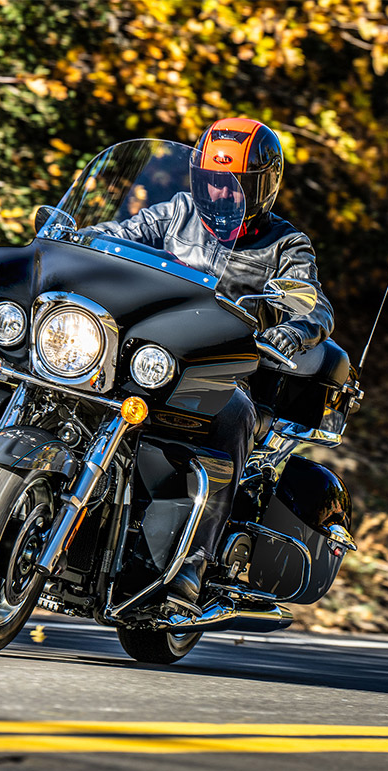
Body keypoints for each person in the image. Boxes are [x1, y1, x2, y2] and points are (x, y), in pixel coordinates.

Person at [91, 118, 334, 610]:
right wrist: (78, 237)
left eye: (233, 184)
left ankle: (188, 571)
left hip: (224, 373)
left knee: (234, 415)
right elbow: (114, 236)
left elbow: (314, 304)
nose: (220, 193)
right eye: (210, 180)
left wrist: (291, 326)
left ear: (262, 186)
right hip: (151, 360)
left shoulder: (286, 245)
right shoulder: (174, 214)